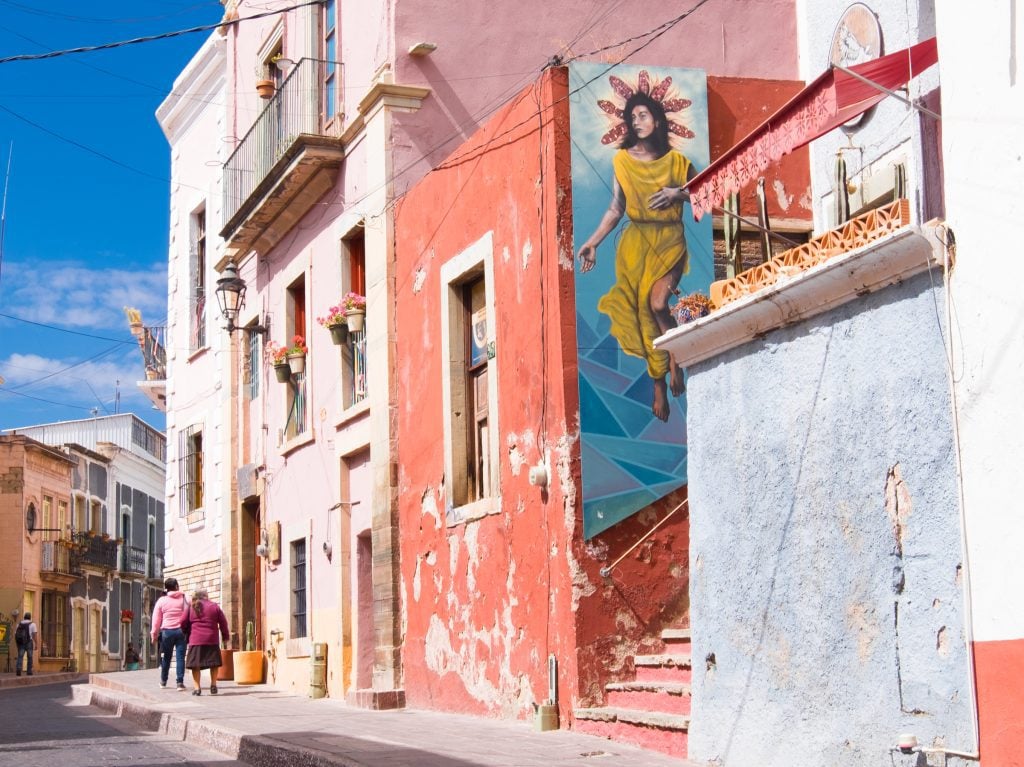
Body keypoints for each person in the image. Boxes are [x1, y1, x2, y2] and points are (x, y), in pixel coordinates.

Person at [578, 90, 697, 422]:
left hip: (670, 238)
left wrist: (678, 194)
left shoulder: (677, 162)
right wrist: (594, 242)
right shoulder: (622, 161)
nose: (637, 122)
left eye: (643, 115)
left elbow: (704, 193)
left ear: (657, 119)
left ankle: (676, 357)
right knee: (642, 315)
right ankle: (658, 380)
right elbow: (617, 208)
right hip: (635, 244)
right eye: (632, 118)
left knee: (658, 303)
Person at [180, 588, 230, 696]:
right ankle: (213, 685)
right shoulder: (214, 606)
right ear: (206, 596)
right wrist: (225, 636)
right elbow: (223, 622)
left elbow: (182, 622)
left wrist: (186, 631)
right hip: (212, 639)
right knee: (213, 663)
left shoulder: (190, 607)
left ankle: (197, 688)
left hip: (196, 640)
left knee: (195, 665)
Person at [150, 577, 189, 690]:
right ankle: (180, 683)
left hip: (167, 632)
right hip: (181, 631)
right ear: (176, 586)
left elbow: (156, 619)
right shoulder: (184, 598)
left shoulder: (162, 601)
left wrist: (154, 635)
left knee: (166, 657)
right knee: (180, 657)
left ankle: (163, 681)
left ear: (166, 588)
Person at [14, 612, 37, 676]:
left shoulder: (19, 624)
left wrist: (17, 643)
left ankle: (18, 669)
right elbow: (34, 634)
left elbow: (15, 634)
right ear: (30, 617)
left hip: (21, 643)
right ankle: (29, 671)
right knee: (29, 657)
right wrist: (36, 644)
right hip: (29, 642)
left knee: (20, 656)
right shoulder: (33, 624)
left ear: (24, 617)